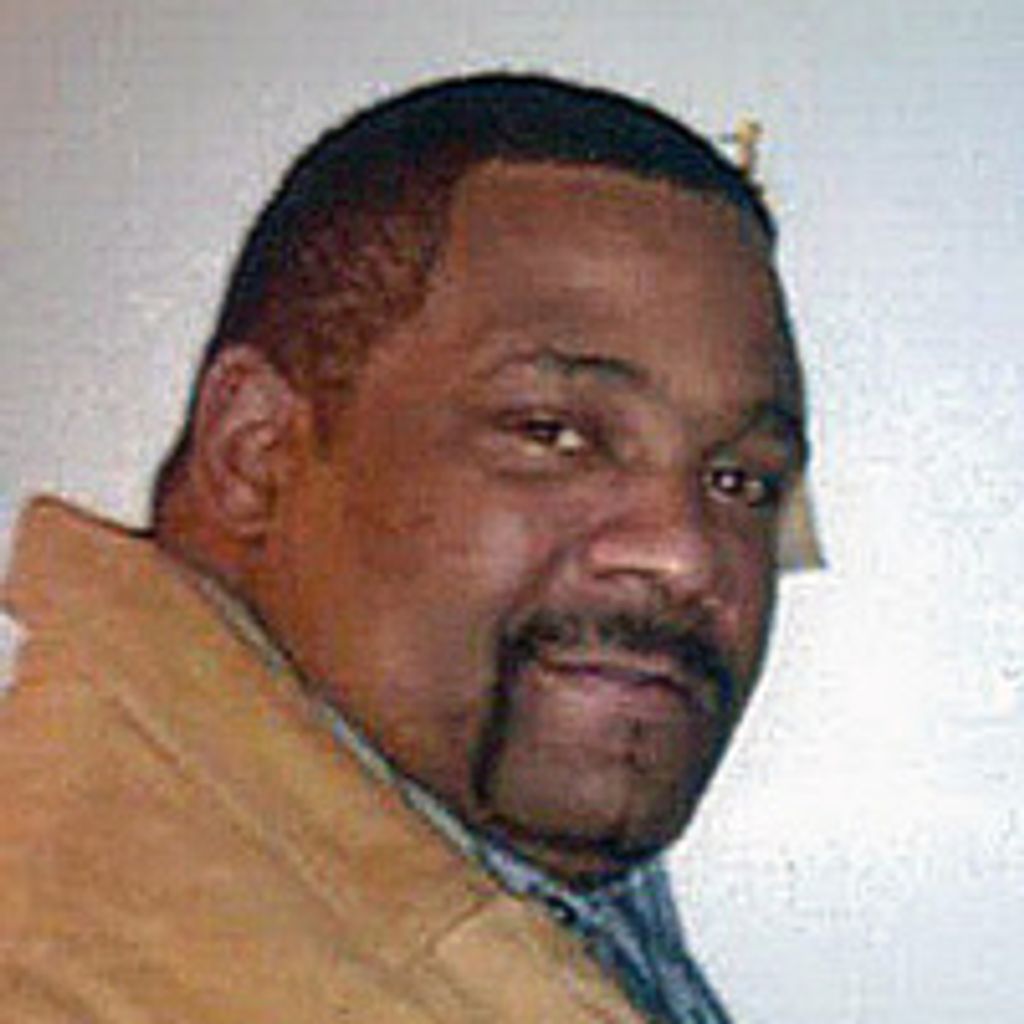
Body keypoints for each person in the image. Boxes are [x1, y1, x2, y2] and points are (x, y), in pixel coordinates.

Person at [1, 73, 817, 1023]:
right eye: (552, 433)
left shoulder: (491, 887)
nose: (686, 555)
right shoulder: (68, 970)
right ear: (256, 454)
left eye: (741, 481)